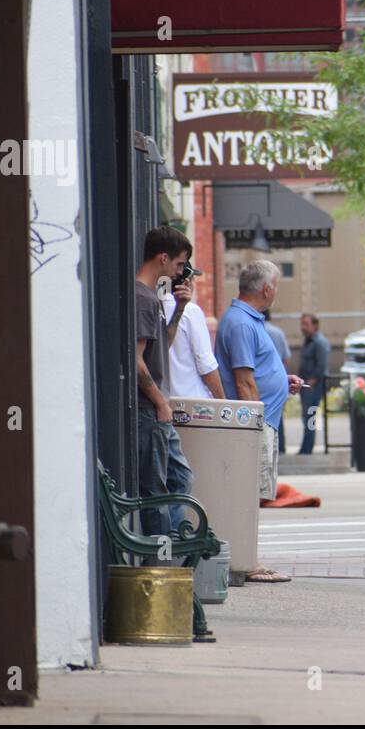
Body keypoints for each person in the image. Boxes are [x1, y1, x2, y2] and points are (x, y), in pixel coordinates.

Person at [214, 260, 304, 583]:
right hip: (256, 423)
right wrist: (254, 426)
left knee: (254, 493)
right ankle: (245, 561)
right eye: (276, 286)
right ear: (266, 289)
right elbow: (243, 381)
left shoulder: (249, 320)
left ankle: (249, 557)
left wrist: (283, 379)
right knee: (249, 493)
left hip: (264, 421)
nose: (276, 291)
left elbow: (258, 372)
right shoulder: (240, 323)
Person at [134, 226, 197, 538]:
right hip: (149, 409)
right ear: (162, 258)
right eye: (178, 264)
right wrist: (160, 402)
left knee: (180, 477)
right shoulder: (142, 299)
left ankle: (169, 546)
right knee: (156, 489)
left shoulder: (153, 300)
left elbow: (163, 346)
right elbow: (136, 360)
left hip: (157, 409)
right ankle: (160, 562)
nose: (179, 272)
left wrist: (179, 309)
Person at [159, 263, 224, 399]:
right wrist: (223, 403)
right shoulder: (191, 311)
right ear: (186, 281)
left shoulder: (156, 307)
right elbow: (206, 364)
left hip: (165, 401)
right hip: (194, 403)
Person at [296, 313, 330, 455]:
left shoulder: (319, 342)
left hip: (313, 386)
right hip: (306, 384)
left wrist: (312, 381)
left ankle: (307, 448)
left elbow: (322, 365)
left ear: (315, 325)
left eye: (306, 324)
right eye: (302, 324)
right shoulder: (308, 341)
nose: (303, 327)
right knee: (306, 417)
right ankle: (306, 446)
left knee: (310, 416)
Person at [263, 310, 291, 452]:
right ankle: (281, 448)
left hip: (261, 382)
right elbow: (286, 357)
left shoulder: (258, 330)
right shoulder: (278, 332)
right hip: (278, 381)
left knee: (264, 417)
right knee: (278, 416)